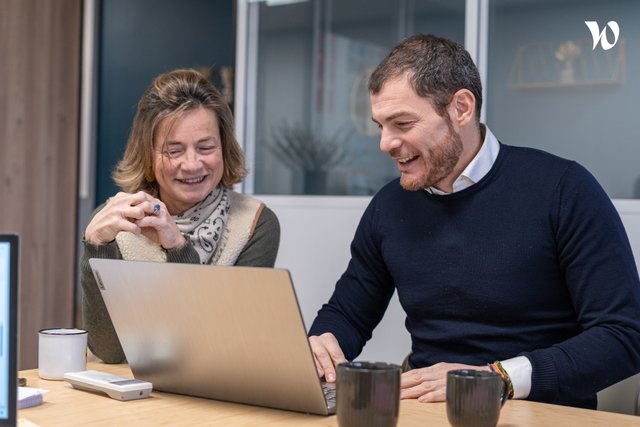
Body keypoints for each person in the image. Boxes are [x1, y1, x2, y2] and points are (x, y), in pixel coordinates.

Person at [308, 34, 640, 409]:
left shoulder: (564, 190)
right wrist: (322, 346)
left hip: (539, 410)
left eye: (401, 123)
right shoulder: (389, 206)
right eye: (380, 125)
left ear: (461, 108)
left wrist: (495, 378)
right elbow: (348, 314)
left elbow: (623, 336)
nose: (385, 143)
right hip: (427, 411)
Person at [81, 68, 280, 363]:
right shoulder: (115, 223)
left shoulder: (254, 224)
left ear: (224, 149)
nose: (192, 164)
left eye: (206, 147)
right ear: (148, 153)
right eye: (174, 150)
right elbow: (110, 351)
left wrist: (177, 247)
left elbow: (218, 345)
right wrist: (96, 251)